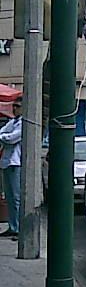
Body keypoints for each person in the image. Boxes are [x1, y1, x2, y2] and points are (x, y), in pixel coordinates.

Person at [0, 97, 23, 239]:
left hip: (15, 163)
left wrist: (3, 137)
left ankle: (19, 227)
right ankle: (12, 226)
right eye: (13, 106)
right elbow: (3, 133)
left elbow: (12, 138)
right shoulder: (11, 122)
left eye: (17, 106)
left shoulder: (23, 124)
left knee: (16, 197)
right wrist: (4, 136)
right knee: (8, 197)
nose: (14, 109)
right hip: (6, 162)